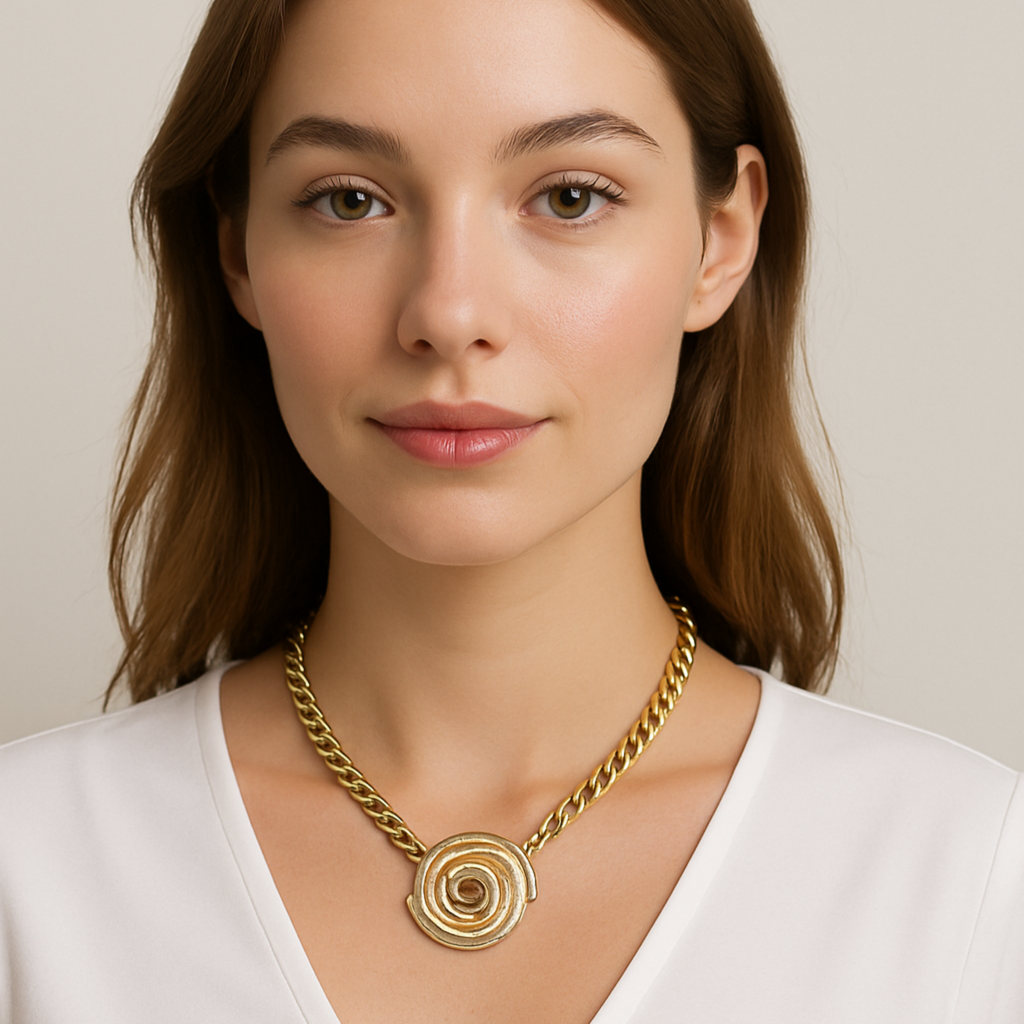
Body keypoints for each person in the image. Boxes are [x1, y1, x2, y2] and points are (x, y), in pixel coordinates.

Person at [0, 0, 1020, 1020]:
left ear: (721, 239)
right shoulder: (29, 866)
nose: (449, 314)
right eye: (349, 201)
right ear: (238, 255)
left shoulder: (968, 877)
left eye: (570, 197)